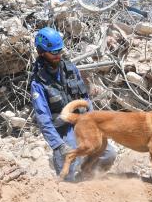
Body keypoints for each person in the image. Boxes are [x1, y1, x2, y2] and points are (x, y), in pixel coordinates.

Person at [31, 27, 116, 181]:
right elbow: (43, 119)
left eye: (60, 51)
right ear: (42, 53)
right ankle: (67, 186)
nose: (58, 55)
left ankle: (87, 176)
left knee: (109, 154)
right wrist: (58, 145)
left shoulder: (70, 69)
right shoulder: (38, 83)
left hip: (83, 122)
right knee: (69, 163)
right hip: (63, 130)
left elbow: (85, 97)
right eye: (54, 52)